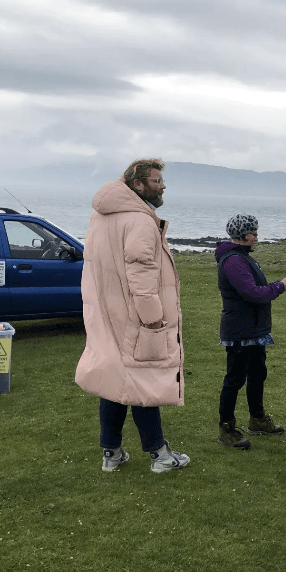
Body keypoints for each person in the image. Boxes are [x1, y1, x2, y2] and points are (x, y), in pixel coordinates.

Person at [75, 158, 189, 473]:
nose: (163, 185)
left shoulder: (100, 217)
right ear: (137, 185)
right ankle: (160, 456)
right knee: (145, 382)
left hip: (107, 313)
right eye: (156, 181)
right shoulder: (139, 221)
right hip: (135, 317)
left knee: (115, 379)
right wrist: (152, 316)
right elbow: (140, 272)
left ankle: (111, 453)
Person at [215, 214, 286, 450]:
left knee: (257, 374)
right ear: (242, 236)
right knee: (234, 379)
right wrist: (280, 286)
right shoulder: (234, 261)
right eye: (253, 232)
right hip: (241, 331)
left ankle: (257, 419)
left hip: (253, 329)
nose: (256, 236)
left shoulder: (243, 258)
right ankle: (227, 429)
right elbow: (252, 293)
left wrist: (277, 285)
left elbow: (256, 289)